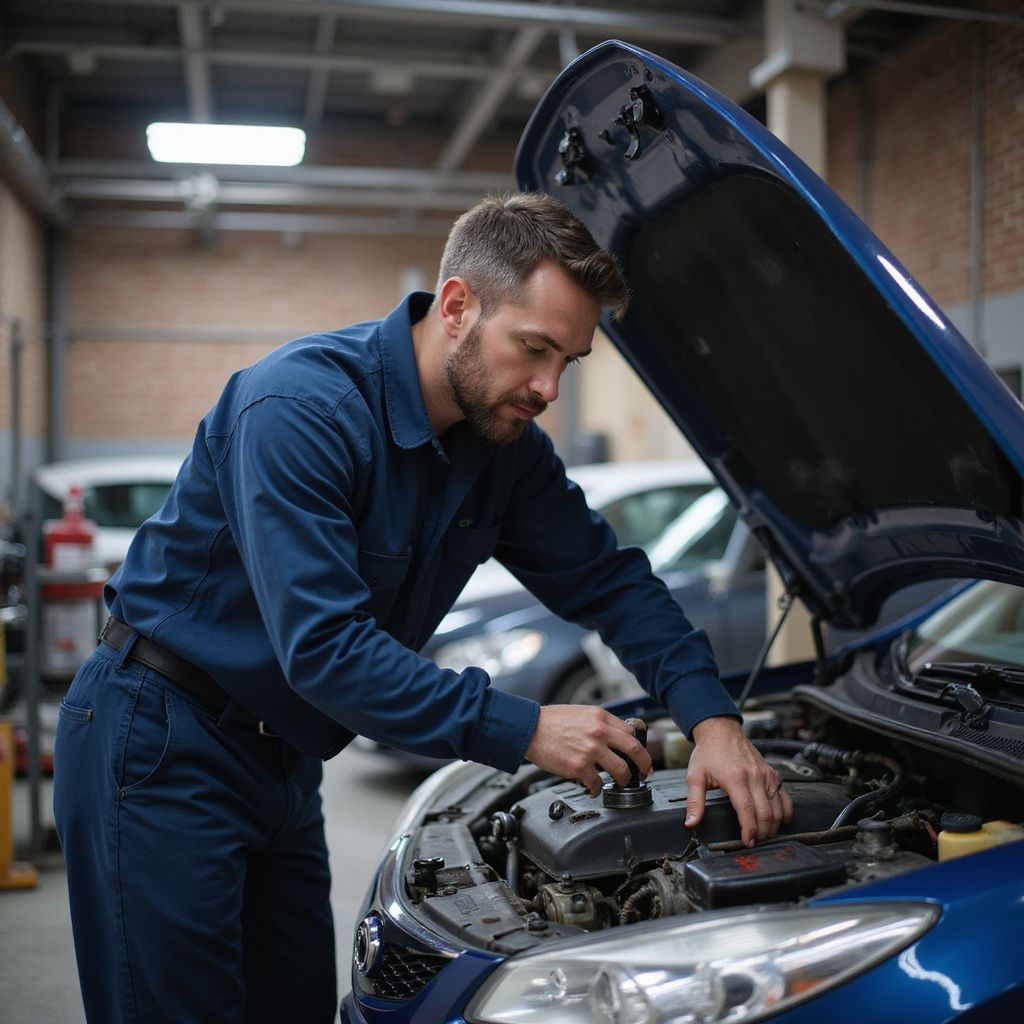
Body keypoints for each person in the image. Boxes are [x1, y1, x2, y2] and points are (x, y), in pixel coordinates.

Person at [54, 192, 792, 1023]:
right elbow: (326, 649)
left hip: (284, 760)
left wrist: (713, 720)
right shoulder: (300, 411)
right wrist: (526, 729)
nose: (548, 387)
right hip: (159, 742)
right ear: (457, 306)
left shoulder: (503, 450)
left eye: (568, 362)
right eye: (534, 349)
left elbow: (611, 580)